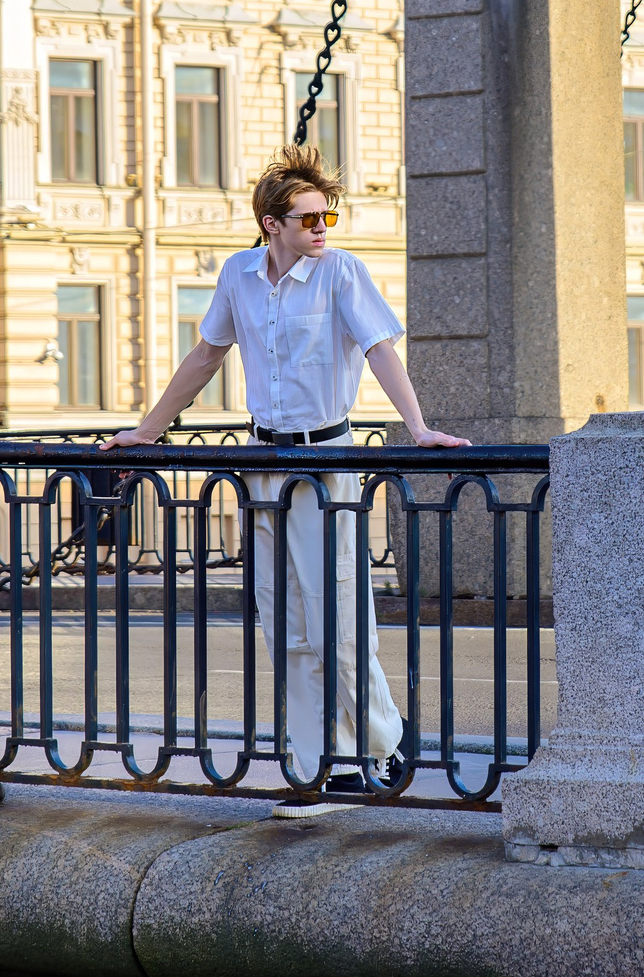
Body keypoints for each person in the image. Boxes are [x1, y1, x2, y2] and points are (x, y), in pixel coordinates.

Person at [102, 146, 467, 791]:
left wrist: (417, 429)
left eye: (328, 215)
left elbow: (381, 351)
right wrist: (146, 433)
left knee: (337, 614)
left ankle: (382, 740)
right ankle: (316, 756)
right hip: (264, 460)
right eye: (307, 218)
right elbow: (206, 355)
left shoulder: (342, 272)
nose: (322, 227)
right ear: (271, 224)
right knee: (285, 619)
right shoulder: (240, 274)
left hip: (326, 459)